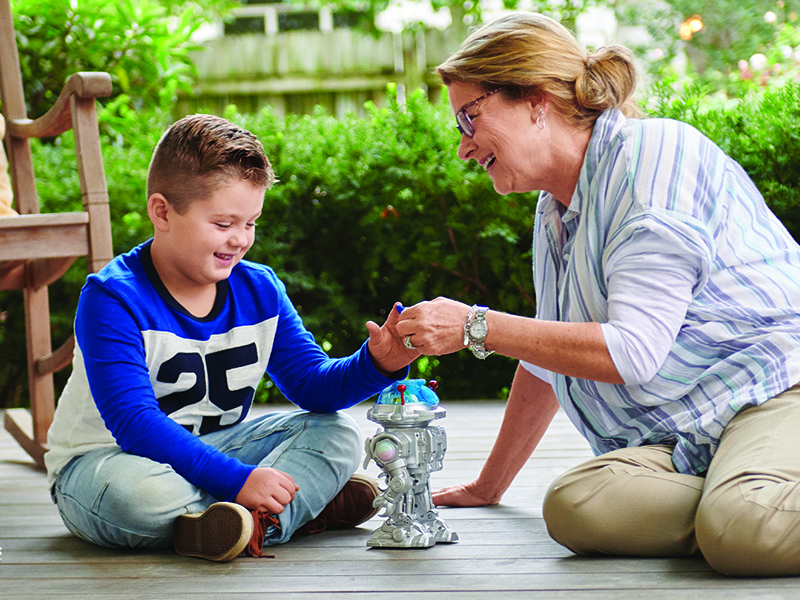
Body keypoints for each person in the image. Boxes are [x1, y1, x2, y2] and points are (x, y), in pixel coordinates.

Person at [394, 12, 800, 577]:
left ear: (536, 100)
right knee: (575, 506)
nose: (463, 147)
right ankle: (739, 499)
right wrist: (489, 486)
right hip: (678, 434)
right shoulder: (555, 208)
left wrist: (474, 325)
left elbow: (632, 351)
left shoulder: (647, 158)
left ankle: (742, 510)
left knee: (744, 531)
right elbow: (545, 358)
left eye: (469, 117)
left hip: (770, 391)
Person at [45, 114, 416, 562]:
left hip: (220, 447)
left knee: (338, 433)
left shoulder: (260, 289)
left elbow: (312, 386)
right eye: (224, 224)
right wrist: (238, 480)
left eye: (251, 223)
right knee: (134, 498)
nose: (240, 240)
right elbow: (133, 422)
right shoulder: (112, 297)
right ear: (162, 212)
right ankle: (294, 509)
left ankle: (234, 525)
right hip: (108, 461)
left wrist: (377, 362)